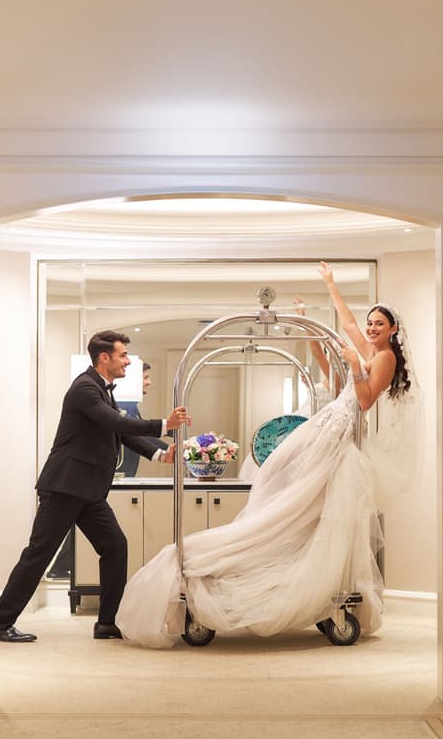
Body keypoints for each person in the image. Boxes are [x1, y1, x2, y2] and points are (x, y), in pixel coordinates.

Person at [116, 263, 420, 648]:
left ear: (393, 329)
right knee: (280, 481)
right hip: (327, 424)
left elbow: (364, 400)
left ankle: (278, 563)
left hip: (340, 430)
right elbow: (347, 325)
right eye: (370, 322)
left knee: (299, 500)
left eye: (379, 324)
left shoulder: (384, 358)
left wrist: (354, 366)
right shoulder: (370, 350)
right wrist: (330, 287)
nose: (372, 328)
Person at [0, 330, 190, 643]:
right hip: (65, 487)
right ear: (104, 357)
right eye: (123, 355)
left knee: (115, 545)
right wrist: (164, 425)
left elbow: (120, 433)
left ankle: (107, 623)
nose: (128, 362)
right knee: (38, 554)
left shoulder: (101, 390)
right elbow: (118, 424)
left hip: (88, 491)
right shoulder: (84, 388)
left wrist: (160, 454)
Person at [115, 362, 170, 477]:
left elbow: (143, 429)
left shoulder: (130, 405)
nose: (149, 382)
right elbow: (139, 434)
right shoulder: (123, 406)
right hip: (119, 474)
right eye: (145, 378)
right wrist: (171, 450)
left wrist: (171, 429)